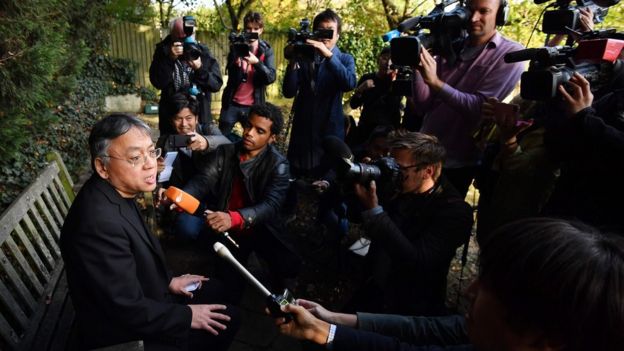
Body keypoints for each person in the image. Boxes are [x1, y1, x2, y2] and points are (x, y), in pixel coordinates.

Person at [274, 217, 624, 351]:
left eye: (489, 287)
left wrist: (323, 332)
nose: (469, 291)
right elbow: (428, 331)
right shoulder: (497, 340)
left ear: (544, 337)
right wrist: (330, 321)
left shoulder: (451, 211)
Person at [60, 114, 239, 350]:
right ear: (102, 167)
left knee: (218, 289)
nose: (150, 164)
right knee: (229, 320)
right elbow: (125, 309)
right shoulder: (97, 225)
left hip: (142, 298)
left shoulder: (116, 190)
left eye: (151, 152)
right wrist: (186, 316)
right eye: (135, 157)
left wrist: (168, 282)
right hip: (123, 336)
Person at [179, 102, 301, 302]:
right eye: (248, 126)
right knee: (228, 288)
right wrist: (180, 197)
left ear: (272, 138)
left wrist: (235, 218)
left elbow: (271, 205)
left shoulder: (278, 165)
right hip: (231, 231)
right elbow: (203, 180)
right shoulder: (227, 152)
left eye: (259, 131)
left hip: (262, 229)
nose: (249, 133)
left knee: (284, 271)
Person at [345, 131, 473, 316]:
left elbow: (418, 263)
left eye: (400, 169)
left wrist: (375, 213)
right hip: (374, 285)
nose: (393, 173)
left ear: (427, 171)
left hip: (409, 306)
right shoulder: (399, 184)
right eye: (391, 164)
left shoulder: (455, 213)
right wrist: (361, 183)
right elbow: (355, 217)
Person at [412, 0, 525, 197]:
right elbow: (423, 105)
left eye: (484, 11)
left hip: (457, 163)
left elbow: (479, 108)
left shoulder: (511, 54)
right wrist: (417, 67)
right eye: (470, 10)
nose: (474, 18)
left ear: (500, 15)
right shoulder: (451, 46)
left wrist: (435, 82)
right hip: (422, 151)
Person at [282, 8, 357, 179]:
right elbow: (288, 91)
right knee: (296, 178)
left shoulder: (345, 59)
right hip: (303, 128)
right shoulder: (305, 56)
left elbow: (349, 84)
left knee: (327, 178)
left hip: (329, 128)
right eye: (320, 31)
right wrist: (294, 60)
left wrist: (329, 56)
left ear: (338, 35)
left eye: (329, 31)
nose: (324, 36)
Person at [150, 17, 223, 135]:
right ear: (172, 36)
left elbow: (216, 85)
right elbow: (158, 82)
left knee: (199, 149)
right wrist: (169, 60)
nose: (187, 40)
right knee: (171, 151)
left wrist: (200, 69)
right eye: (181, 37)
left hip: (200, 117)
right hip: (171, 119)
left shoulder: (203, 52)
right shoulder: (163, 51)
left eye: (190, 34)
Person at [219, 11, 276, 137]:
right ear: (244, 30)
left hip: (253, 106)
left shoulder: (266, 50)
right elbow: (230, 75)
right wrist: (236, 62)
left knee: (251, 141)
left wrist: (257, 63)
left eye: (256, 28)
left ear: (261, 30)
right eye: (249, 28)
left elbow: (271, 77)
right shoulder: (237, 46)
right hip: (231, 103)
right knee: (221, 140)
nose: (252, 31)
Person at [157, 92, 231, 189]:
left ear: (196, 119)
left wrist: (206, 142)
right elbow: (160, 180)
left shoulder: (208, 130)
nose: (184, 124)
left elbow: (228, 144)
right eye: (178, 119)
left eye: (188, 118)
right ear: (172, 120)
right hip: (179, 194)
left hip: (208, 192)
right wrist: (155, 171)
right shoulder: (164, 141)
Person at [349, 46, 402, 145]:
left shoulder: (397, 83)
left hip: (387, 135)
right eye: (385, 58)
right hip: (366, 131)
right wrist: (360, 89)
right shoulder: (367, 78)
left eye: (392, 61)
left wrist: (393, 84)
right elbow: (353, 104)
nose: (388, 64)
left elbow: (394, 108)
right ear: (379, 59)